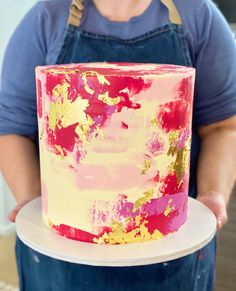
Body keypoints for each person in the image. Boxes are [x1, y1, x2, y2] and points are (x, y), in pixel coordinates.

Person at [0, 0, 236, 290]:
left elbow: (223, 126)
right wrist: (39, 203)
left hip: (168, 245)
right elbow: (10, 128)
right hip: (63, 261)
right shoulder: (46, 18)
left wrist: (214, 192)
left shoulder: (198, 14)